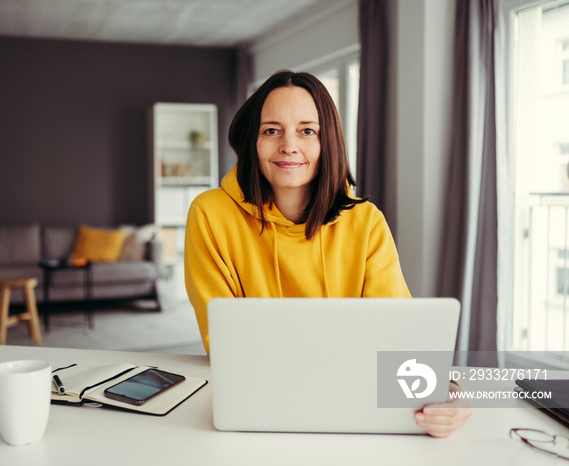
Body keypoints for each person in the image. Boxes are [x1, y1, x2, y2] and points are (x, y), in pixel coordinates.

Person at [184, 69, 471, 437]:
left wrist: (448, 392)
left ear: (327, 141)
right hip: (259, 404)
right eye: (272, 130)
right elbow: (225, 347)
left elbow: (400, 337)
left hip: (353, 406)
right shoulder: (210, 213)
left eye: (307, 130)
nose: (289, 145)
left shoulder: (366, 221)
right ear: (252, 140)